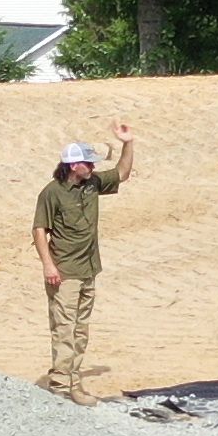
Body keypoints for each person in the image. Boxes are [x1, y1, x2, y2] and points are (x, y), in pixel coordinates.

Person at [27, 122, 137, 401]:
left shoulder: (93, 184)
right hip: (64, 272)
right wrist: (49, 265)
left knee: (79, 330)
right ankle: (61, 389)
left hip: (88, 269)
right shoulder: (52, 193)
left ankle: (73, 384)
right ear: (74, 165)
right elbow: (40, 229)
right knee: (64, 329)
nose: (92, 166)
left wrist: (128, 143)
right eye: (88, 163)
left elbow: (122, 173)